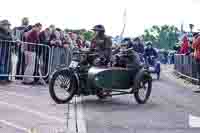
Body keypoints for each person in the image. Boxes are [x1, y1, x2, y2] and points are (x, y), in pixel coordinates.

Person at [0, 20, 12, 84]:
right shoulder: (1, 31)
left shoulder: (8, 32)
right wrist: (10, 38)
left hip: (7, 49)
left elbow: (11, 38)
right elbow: (4, 37)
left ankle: (6, 78)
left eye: (8, 25)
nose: (8, 26)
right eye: (7, 25)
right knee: (2, 64)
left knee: (7, 64)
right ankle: (2, 78)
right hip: (2, 49)